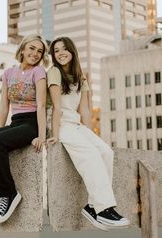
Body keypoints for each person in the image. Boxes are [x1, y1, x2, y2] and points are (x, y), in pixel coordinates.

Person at [47, 36, 130, 231]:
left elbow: (84, 109)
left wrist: (90, 134)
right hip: (62, 125)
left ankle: (93, 206)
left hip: (76, 125)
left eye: (64, 49)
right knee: (91, 155)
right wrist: (56, 134)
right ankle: (104, 208)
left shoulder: (80, 76)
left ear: (72, 51)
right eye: (56, 50)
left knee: (105, 152)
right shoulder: (54, 73)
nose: (60, 53)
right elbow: (57, 107)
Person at [0, 34, 49, 226]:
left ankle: (8, 194)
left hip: (31, 123)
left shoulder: (39, 72)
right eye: (31, 48)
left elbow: (41, 105)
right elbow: (3, 107)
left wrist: (41, 135)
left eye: (39, 51)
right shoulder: (8, 73)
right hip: (15, 122)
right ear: (22, 49)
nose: (35, 53)